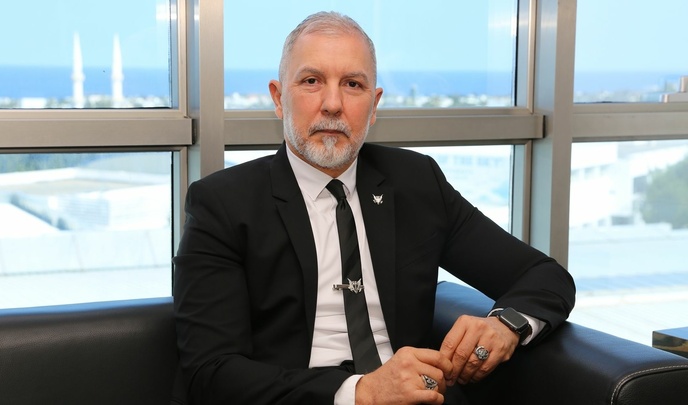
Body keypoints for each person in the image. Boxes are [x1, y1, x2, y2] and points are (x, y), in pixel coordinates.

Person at [173, 11, 575, 405]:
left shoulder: (416, 182)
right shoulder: (222, 204)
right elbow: (210, 373)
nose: (333, 104)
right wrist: (361, 393)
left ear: (374, 104)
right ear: (279, 98)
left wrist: (506, 325)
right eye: (312, 81)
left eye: (353, 84)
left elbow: (544, 276)